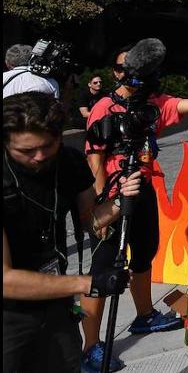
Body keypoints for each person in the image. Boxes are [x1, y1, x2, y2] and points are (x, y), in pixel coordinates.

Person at [80, 40, 188, 371]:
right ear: (116, 73)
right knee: (102, 270)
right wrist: (101, 205)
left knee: (143, 257)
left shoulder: (154, 103)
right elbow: (93, 155)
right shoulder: (103, 108)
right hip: (112, 195)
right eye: (124, 67)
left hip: (143, 189)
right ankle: (90, 346)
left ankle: (145, 316)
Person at [3, 93, 140, 373]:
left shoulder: (69, 162)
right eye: (27, 151)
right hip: (8, 312)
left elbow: (92, 221)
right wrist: (86, 283)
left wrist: (120, 200)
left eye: (47, 146)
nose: (39, 157)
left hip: (53, 299)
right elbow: (4, 280)